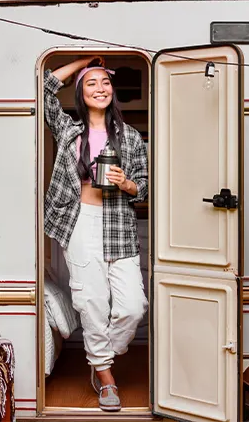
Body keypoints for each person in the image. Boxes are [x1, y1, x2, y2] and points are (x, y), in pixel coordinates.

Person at [43, 56, 148, 412]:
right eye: (92, 83)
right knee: (91, 303)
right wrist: (83, 62)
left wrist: (127, 183)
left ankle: (101, 354)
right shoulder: (69, 130)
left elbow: (145, 188)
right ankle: (104, 376)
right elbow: (43, 88)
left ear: (112, 91)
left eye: (105, 83)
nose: (100, 88)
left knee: (133, 306)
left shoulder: (131, 136)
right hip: (81, 221)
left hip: (118, 221)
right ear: (81, 93)